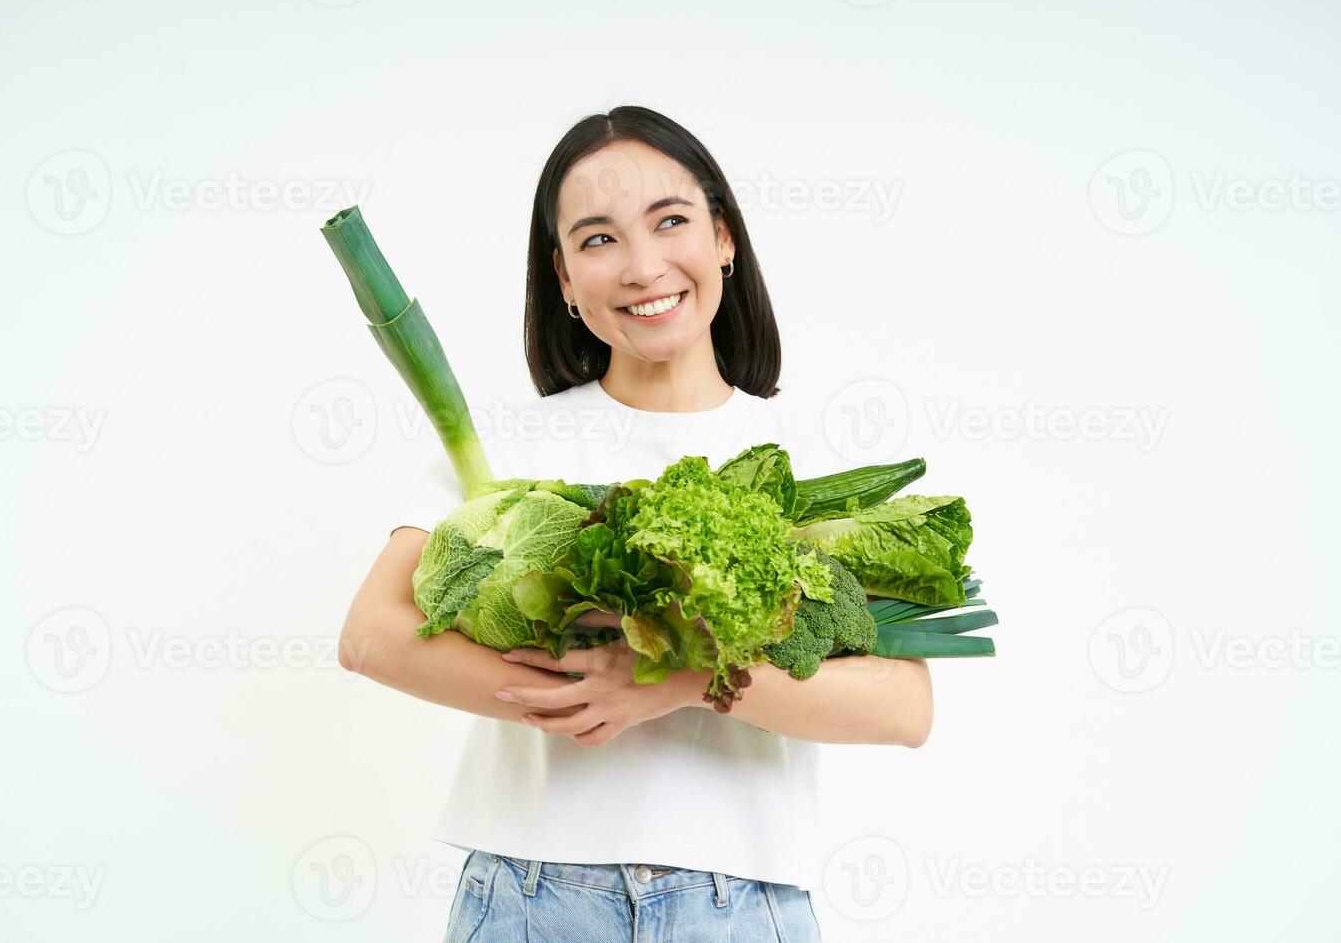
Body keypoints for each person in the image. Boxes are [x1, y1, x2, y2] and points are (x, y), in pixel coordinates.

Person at [339, 106, 934, 942]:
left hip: (741, 908)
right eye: (598, 239)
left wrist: (675, 682)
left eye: (671, 222)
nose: (643, 265)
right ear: (564, 278)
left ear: (724, 237)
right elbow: (371, 634)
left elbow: (902, 705)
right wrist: (585, 696)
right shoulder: (505, 444)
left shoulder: (806, 457)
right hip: (528, 896)